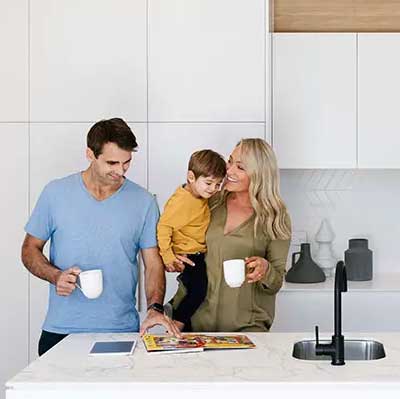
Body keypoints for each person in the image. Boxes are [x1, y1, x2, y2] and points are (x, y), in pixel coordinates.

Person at [21, 118, 180, 356]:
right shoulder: (55, 193)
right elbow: (29, 249)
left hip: (121, 332)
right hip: (61, 331)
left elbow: (153, 263)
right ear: (90, 154)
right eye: (112, 162)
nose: (120, 170)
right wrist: (55, 276)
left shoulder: (144, 202)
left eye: (126, 163)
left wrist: (155, 307)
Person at [169, 138, 291, 332]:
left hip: (247, 328)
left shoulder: (275, 217)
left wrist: (265, 269)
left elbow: (276, 282)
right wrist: (174, 254)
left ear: (259, 174)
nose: (229, 170)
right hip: (194, 323)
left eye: (240, 167)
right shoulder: (210, 201)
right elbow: (176, 228)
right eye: (230, 161)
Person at [157, 150, 226, 331]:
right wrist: (168, 256)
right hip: (190, 255)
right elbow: (164, 227)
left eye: (218, 184)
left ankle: (175, 309)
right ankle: (176, 323)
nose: (213, 189)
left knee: (194, 290)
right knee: (199, 291)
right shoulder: (182, 202)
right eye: (209, 183)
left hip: (196, 253)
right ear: (191, 177)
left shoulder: (198, 195)